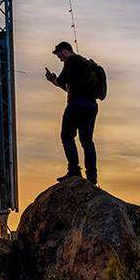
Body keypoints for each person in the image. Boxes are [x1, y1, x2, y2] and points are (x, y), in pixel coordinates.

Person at [43, 41, 99, 185]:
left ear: (65, 51)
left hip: (77, 104)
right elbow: (68, 88)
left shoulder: (71, 60)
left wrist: (54, 79)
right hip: (91, 105)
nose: (60, 58)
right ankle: (92, 176)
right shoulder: (84, 64)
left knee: (66, 136)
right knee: (87, 141)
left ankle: (74, 170)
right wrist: (54, 81)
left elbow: (62, 81)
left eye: (59, 55)